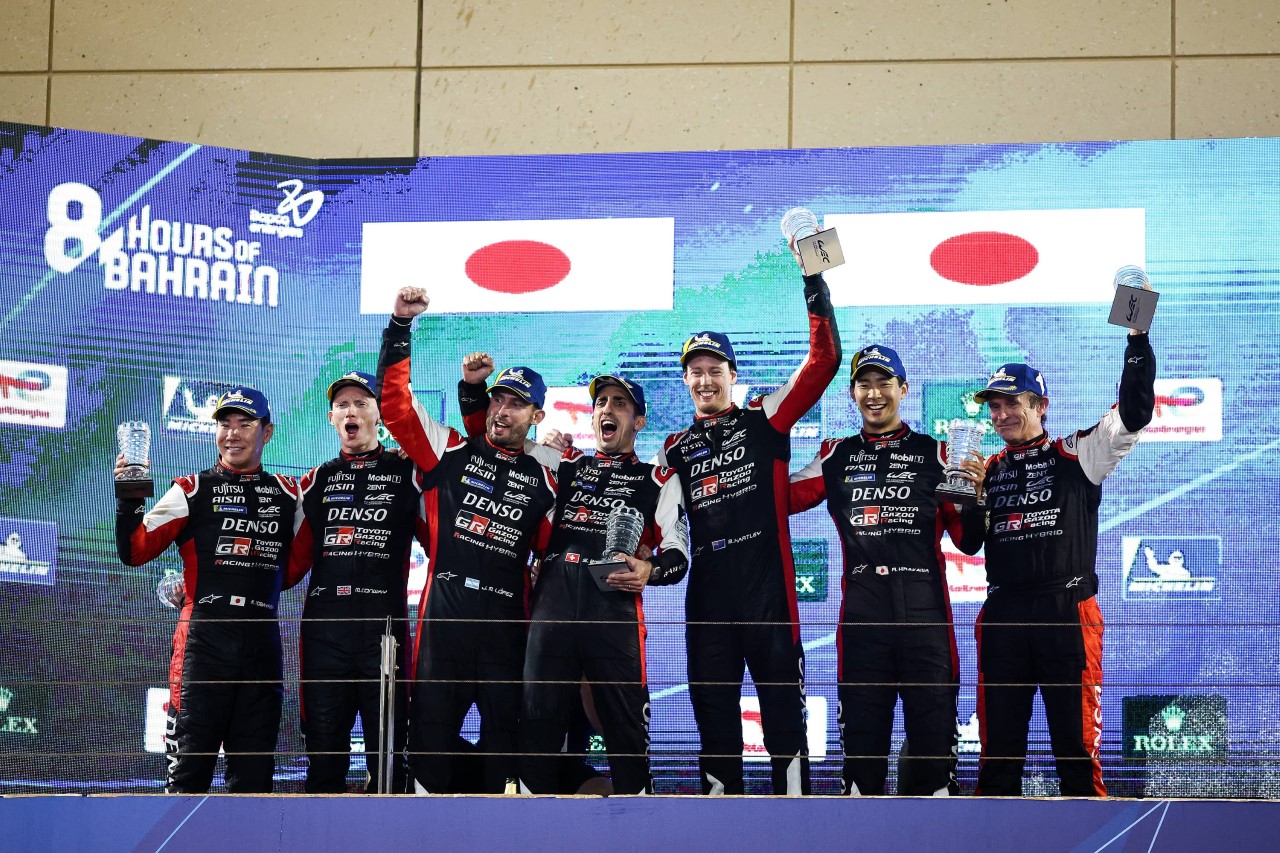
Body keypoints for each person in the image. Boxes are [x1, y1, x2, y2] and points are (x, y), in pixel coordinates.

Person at [655, 260, 841, 795]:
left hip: (770, 601)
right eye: (695, 371)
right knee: (715, 727)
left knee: (784, 725)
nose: (705, 379)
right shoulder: (673, 449)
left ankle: (795, 822)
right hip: (708, 603)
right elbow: (663, 525)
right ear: (685, 380)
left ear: (733, 376)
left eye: (715, 369)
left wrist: (813, 282)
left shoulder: (765, 418)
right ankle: (721, 826)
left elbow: (823, 362)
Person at [459, 365, 689, 794]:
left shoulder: (657, 479)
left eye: (620, 403)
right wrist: (473, 390)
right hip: (552, 612)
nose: (607, 409)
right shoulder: (564, 464)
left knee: (626, 732)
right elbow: (495, 439)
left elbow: (678, 556)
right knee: (537, 731)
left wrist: (650, 571)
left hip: (614, 616)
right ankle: (532, 824)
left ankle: (638, 822)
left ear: (639, 421)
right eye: (601, 402)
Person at [954, 322, 1156, 797]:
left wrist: (1138, 338)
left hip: (1066, 612)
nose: (1002, 415)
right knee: (997, 757)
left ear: (1040, 406)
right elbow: (969, 544)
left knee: (1076, 751)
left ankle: (1090, 831)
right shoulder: (989, 470)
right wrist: (973, 498)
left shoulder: (1077, 453)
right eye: (994, 407)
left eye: (1012, 404)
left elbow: (1134, 412)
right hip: (1004, 614)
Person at [377, 286, 557, 794]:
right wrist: (400, 327)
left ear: (537, 417)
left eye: (517, 404)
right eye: (498, 398)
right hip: (445, 616)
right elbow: (396, 408)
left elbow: (559, 554)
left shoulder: (546, 480)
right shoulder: (449, 451)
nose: (503, 411)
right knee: (430, 742)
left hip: (507, 622)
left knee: (504, 748)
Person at [789, 344, 965, 796]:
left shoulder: (938, 453)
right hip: (864, 617)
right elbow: (782, 498)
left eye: (883, 383)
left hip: (926, 616)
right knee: (861, 762)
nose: (873, 394)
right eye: (863, 384)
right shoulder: (836, 455)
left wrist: (974, 496)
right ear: (852, 393)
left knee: (935, 757)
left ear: (902, 389)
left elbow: (968, 538)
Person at [115, 387, 299, 793]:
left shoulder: (289, 494)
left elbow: (293, 570)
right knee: (187, 777)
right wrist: (131, 491)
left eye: (244, 424)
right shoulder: (192, 489)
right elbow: (135, 550)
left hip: (261, 647)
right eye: (224, 424)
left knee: (253, 784)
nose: (232, 434)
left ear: (267, 432)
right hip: (203, 644)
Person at [285, 370, 428, 793]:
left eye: (362, 403)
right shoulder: (315, 482)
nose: (351, 412)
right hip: (325, 633)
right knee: (324, 756)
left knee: (388, 763)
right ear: (331, 418)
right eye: (343, 405)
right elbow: (288, 566)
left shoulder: (408, 474)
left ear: (379, 415)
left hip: (383, 633)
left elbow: (444, 545)